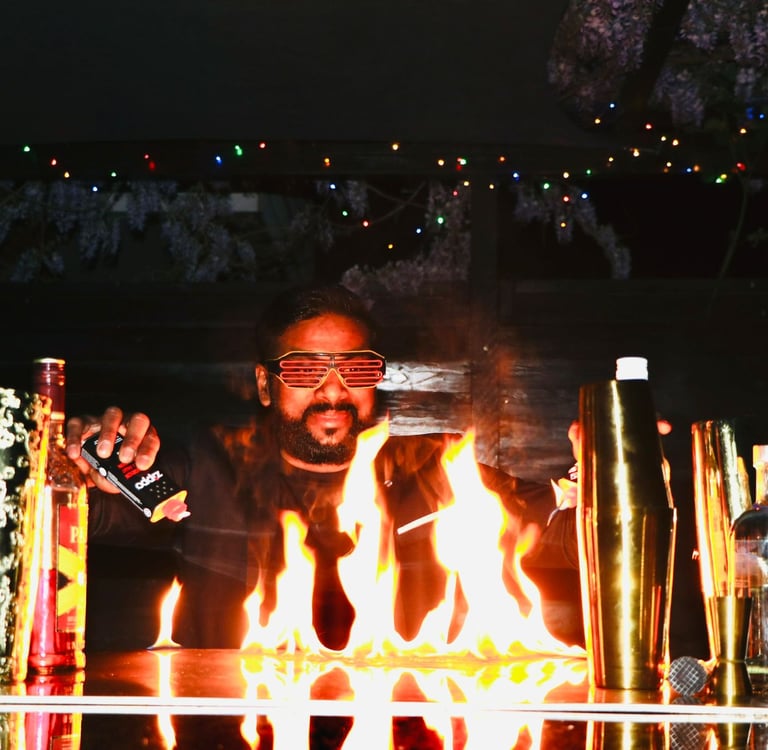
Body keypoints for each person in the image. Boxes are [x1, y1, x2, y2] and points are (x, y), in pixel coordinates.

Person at [66, 282, 581, 650]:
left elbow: (571, 530)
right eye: (305, 369)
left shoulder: (440, 467)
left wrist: (617, 479)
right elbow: (82, 517)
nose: (333, 390)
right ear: (266, 385)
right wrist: (72, 468)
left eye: (355, 368)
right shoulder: (208, 469)